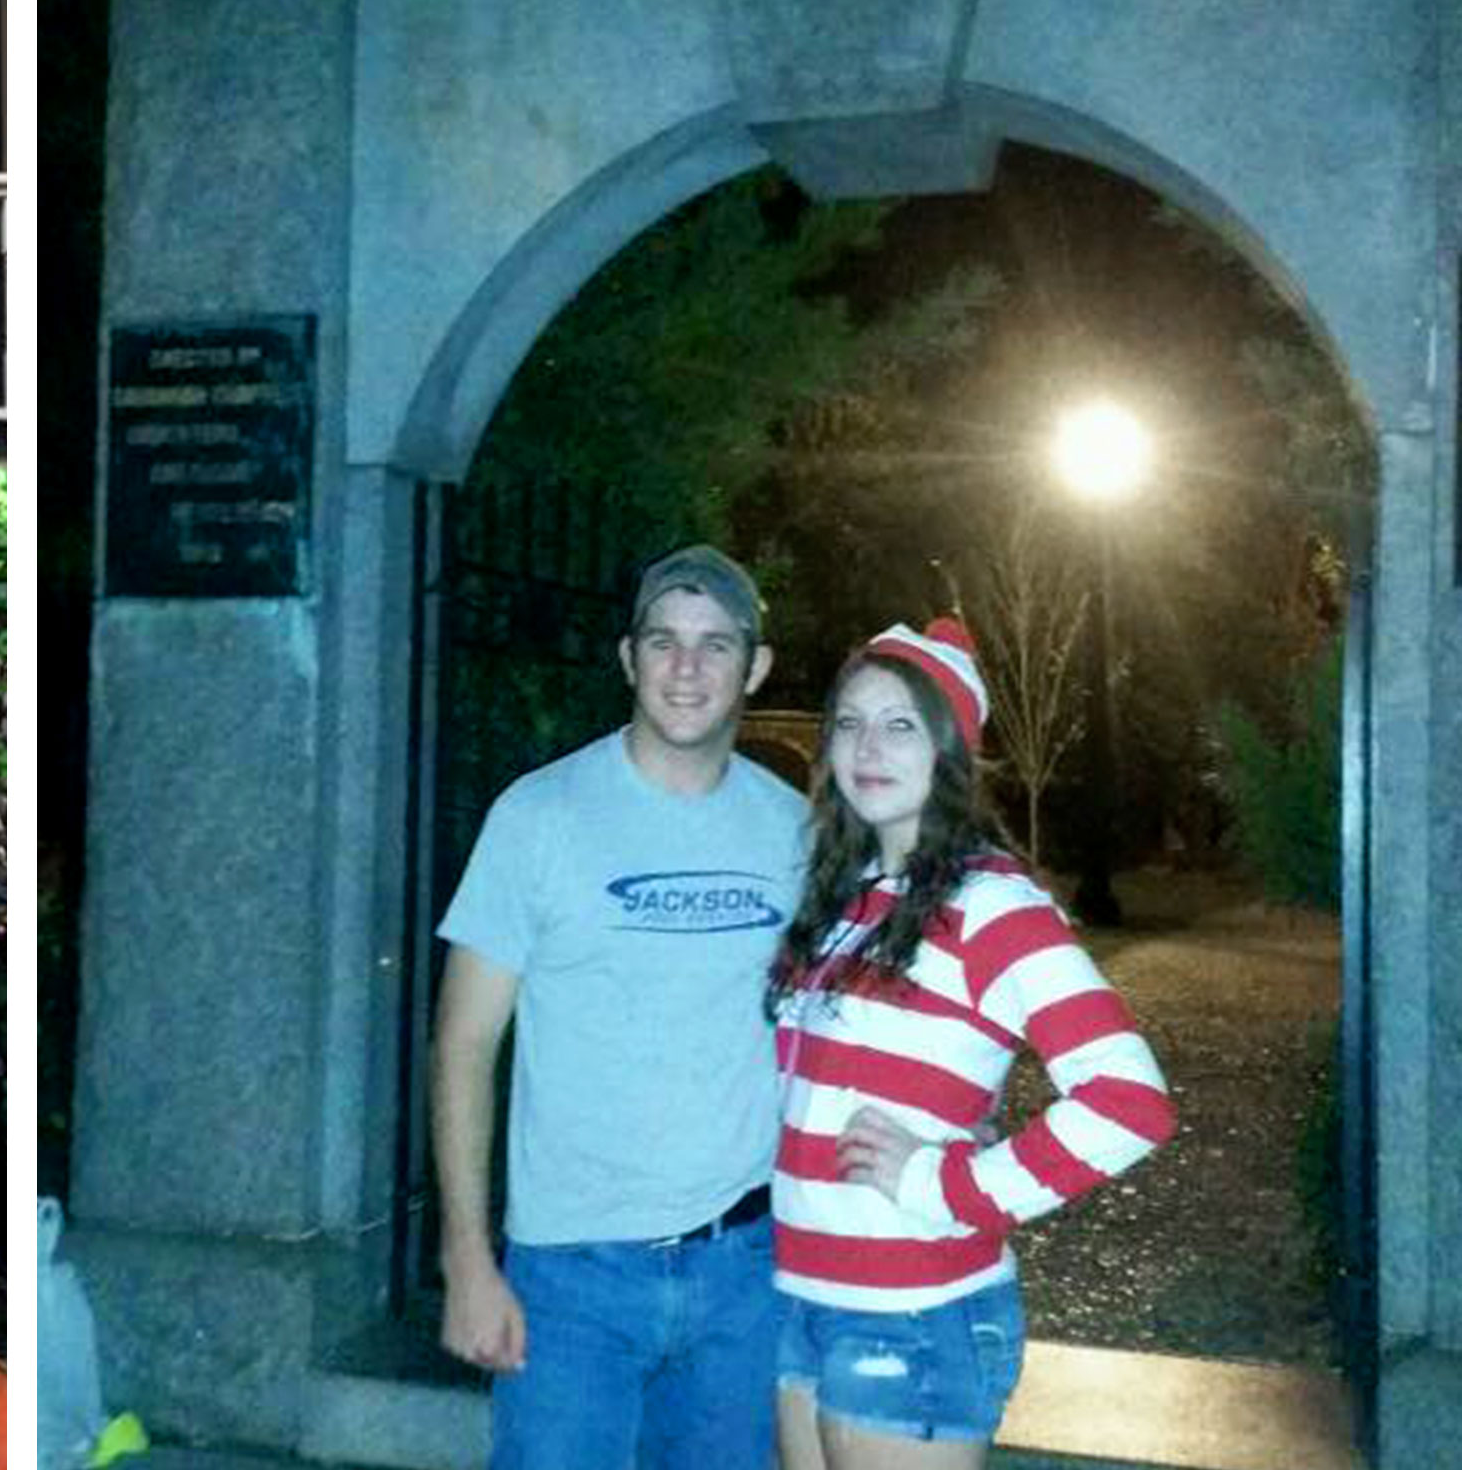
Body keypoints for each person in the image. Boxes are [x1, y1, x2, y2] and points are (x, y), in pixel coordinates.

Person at [432, 543, 809, 1470]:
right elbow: (463, 1046)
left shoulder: (796, 830)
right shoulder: (539, 815)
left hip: (744, 1272)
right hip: (571, 1279)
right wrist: (468, 1262)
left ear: (754, 666)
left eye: (716, 645)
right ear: (628, 657)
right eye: (665, 642)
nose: (688, 669)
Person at [769, 619, 1175, 1468]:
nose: (867, 747)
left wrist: (949, 1183)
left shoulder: (994, 905)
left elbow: (1128, 1103)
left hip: (912, 1312)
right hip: (801, 1296)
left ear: (949, 749)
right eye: (848, 722)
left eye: (900, 724)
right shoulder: (844, 900)